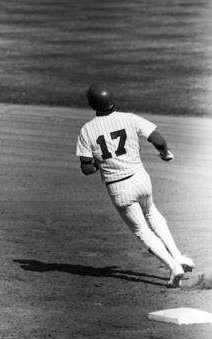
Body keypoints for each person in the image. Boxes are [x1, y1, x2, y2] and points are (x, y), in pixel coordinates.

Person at [76, 84, 194, 288]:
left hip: (118, 187)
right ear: (112, 99)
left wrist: (97, 162)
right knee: (153, 213)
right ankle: (177, 255)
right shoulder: (129, 118)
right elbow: (157, 138)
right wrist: (165, 153)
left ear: (91, 104)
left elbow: (86, 169)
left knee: (142, 231)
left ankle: (174, 267)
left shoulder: (87, 130)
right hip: (141, 179)